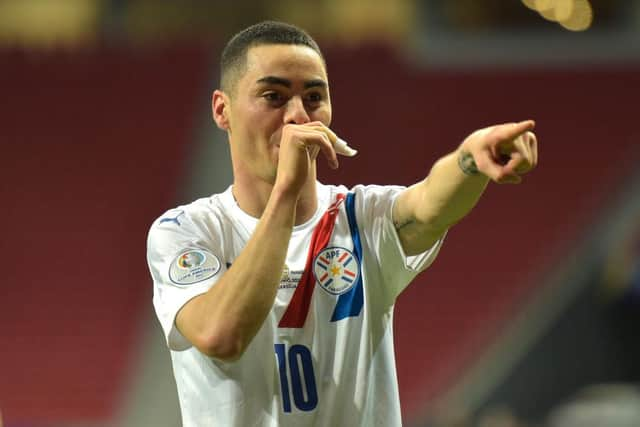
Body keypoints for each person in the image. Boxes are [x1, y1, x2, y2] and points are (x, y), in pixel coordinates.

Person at [146, 20, 539, 427]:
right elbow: (220, 335)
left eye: (314, 96)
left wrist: (470, 160)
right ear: (222, 110)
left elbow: (427, 203)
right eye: (273, 96)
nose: (298, 116)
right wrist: (286, 192)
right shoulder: (186, 232)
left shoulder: (360, 217)